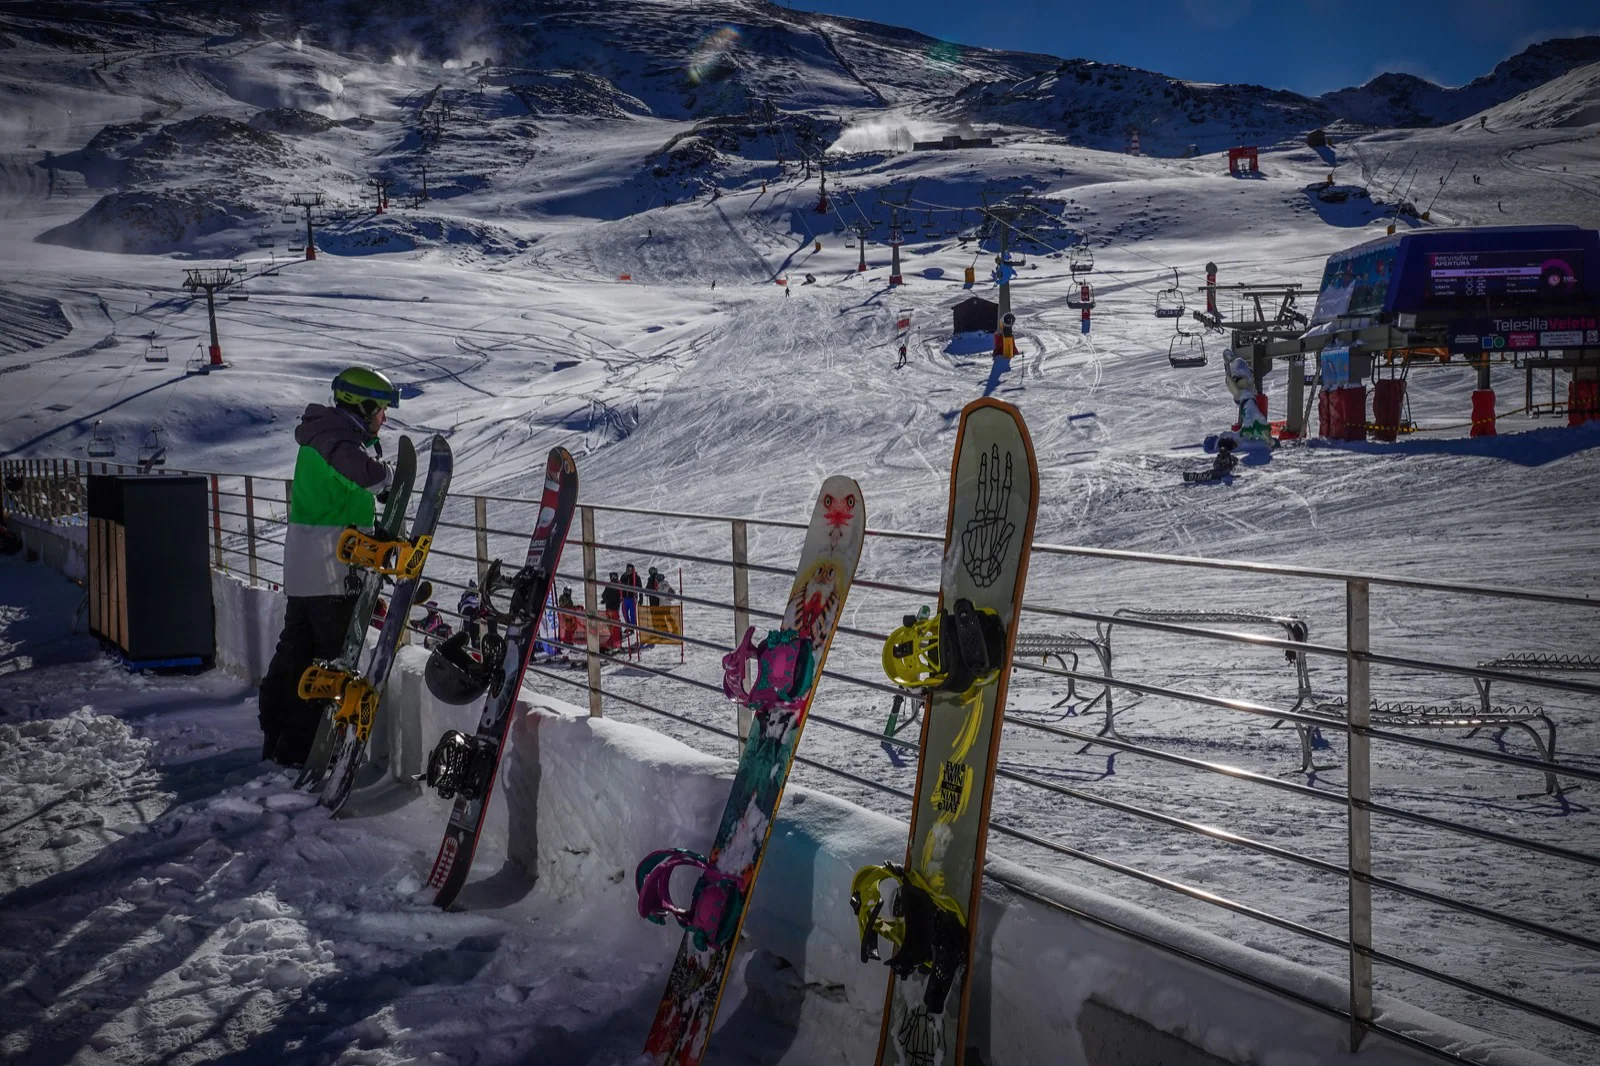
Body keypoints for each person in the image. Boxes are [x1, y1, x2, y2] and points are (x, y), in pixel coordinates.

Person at [258, 367, 397, 768]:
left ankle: (280, 739)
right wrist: (389, 477)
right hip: (330, 571)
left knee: (297, 652)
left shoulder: (328, 434)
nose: (383, 419)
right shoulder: (333, 438)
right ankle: (303, 748)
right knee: (329, 663)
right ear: (363, 405)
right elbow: (366, 477)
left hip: (310, 569)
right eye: (381, 410)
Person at [600, 571, 623, 651]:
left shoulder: (618, 585)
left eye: (614, 577)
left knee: (615, 622)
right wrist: (604, 600)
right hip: (609, 608)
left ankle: (618, 638)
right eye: (612, 577)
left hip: (614, 608)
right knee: (609, 623)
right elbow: (604, 595)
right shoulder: (609, 586)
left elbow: (621, 596)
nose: (613, 579)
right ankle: (611, 638)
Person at [457, 580, 483, 649]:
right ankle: (477, 655)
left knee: (464, 640)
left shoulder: (465, 595)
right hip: (475, 620)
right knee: (475, 642)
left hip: (466, 620)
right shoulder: (478, 594)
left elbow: (460, 609)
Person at [620, 563, 642, 630]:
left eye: (630, 569)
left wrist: (641, 599)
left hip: (632, 598)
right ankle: (628, 625)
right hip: (624, 598)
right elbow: (619, 586)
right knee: (624, 612)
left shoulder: (636, 577)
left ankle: (632, 627)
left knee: (632, 613)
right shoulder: (623, 576)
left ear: (632, 569)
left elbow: (640, 588)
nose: (628, 570)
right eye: (627, 568)